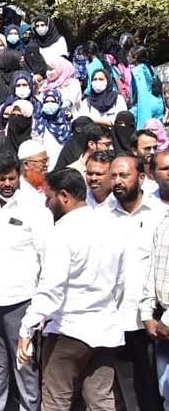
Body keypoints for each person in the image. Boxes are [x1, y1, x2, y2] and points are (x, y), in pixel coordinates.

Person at [18, 168, 126, 411]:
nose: (47, 204)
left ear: (64, 196)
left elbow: (51, 290)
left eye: (49, 197)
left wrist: (27, 328)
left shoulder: (62, 232)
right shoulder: (111, 226)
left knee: (56, 400)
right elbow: (120, 283)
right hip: (105, 329)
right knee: (101, 400)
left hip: (68, 331)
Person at [0, 152, 51, 411]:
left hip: (21, 300)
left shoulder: (35, 207)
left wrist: (40, 305)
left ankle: (30, 408)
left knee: (24, 363)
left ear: (18, 175)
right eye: (1, 179)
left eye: (11, 178)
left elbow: (47, 257)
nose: (7, 184)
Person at [106, 155, 165, 410]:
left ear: (141, 178)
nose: (117, 182)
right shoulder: (102, 217)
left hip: (152, 323)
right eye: (114, 176)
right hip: (117, 322)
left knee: (157, 391)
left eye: (124, 176)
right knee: (129, 394)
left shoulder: (160, 216)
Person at [139, 211, 169, 410]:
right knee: (165, 393)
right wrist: (146, 311)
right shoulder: (164, 221)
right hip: (163, 325)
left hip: (167, 321)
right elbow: (152, 270)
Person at [34, 89, 72, 169]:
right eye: (46, 102)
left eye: (53, 101)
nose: (49, 104)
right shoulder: (38, 122)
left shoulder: (66, 123)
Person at [130, 46, 165, 130]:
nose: (128, 57)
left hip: (147, 105)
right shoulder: (151, 68)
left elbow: (142, 92)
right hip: (158, 104)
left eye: (129, 55)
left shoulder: (137, 70)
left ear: (135, 57)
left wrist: (142, 125)